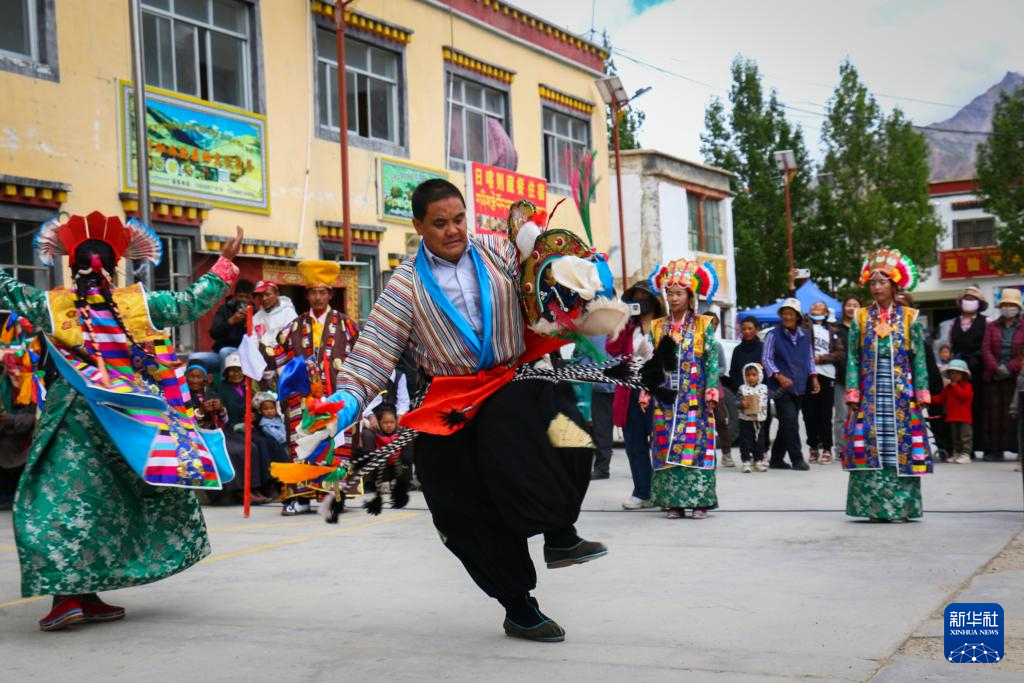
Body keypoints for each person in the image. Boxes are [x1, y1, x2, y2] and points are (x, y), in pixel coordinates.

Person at [325, 180, 608, 643]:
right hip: (450, 398)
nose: (453, 230)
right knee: (459, 504)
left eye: (459, 219)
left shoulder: (498, 251)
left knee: (568, 436)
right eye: (440, 223)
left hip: (515, 380)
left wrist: (573, 269)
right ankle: (518, 606)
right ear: (418, 226)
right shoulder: (405, 284)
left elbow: (546, 273)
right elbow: (374, 350)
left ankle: (560, 533)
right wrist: (345, 403)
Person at [1, 211, 242, 631]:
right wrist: (224, 262)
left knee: (60, 502)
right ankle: (80, 594)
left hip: (71, 418)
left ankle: (72, 595)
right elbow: (192, 302)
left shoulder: (52, 306)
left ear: (71, 266)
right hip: (130, 421)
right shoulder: (139, 304)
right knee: (117, 503)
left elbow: (7, 288)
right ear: (115, 267)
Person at [843, 248, 932, 523]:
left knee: (899, 446)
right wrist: (853, 390)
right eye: (873, 282)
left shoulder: (910, 317)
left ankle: (900, 509)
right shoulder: (860, 317)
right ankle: (873, 508)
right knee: (870, 443)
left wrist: (922, 391)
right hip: (870, 391)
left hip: (901, 393)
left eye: (882, 282)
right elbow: (853, 357)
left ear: (894, 286)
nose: (877, 287)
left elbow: (918, 358)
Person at [275, 260, 359, 515]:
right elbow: (279, 357)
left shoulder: (347, 326)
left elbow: (360, 359)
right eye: (313, 292)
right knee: (302, 443)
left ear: (330, 294)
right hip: (303, 400)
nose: (318, 297)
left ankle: (334, 495)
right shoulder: (293, 327)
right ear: (307, 295)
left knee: (336, 444)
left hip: (336, 396)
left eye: (323, 292)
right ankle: (301, 498)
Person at [646, 259, 720, 519]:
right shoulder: (657, 326)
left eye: (679, 293)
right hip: (665, 398)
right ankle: (673, 502)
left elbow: (711, 360)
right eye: (670, 293)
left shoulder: (703, 324)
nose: (674, 298)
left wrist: (712, 389)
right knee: (665, 444)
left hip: (694, 398)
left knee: (696, 445)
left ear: (690, 297)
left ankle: (700, 502)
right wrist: (645, 390)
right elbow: (651, 361)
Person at [608, 277, 662, 508]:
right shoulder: (629, 328)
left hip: (657, 392)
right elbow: (612, 349)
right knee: (634, 444)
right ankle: (642, 492)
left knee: (660, 443)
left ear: (654, 300)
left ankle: (662, 491)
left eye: (643, 296)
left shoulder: (665, 326)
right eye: (635, 297)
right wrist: (616, 325)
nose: (638, 301)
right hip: (630, 392)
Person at [762, 298, 820, 470]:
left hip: (800, 384)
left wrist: (814, 377)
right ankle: (797, 458)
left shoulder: (805, 335)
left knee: (788, 422)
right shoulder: (773, 335)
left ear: (797, 316)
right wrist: (779, 376)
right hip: (780, 387)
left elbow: (810, 358)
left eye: (791, 314)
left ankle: (776, 459)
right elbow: (766, 359)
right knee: (790, 420)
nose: (787, 317)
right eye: (785, 313)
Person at [980, 288, 1024, 461]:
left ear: (1018, 308)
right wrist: (996, 368)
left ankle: (1018, 449)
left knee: (1015, 414)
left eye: (1011, 305)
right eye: (1005, 304)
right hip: (994, 376)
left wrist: (1009, 368)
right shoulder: (992, 326)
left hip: (1016, 376)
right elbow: (985, 349)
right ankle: (994, 450)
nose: (1008, 308)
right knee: (993, 415)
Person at [948, 285, 988, 456]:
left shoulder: (987, 321)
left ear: (979, 302)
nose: (969, 301)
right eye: (966, 298)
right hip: (958, 369)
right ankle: (961, 448)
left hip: (978, 368)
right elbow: (950, 345)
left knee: (978, 406)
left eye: (973, 299)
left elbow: (988, 344)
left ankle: (977, 445)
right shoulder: (953, 323)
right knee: (958, 408)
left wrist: (978, 357)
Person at [803, 301, 841, 464]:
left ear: (826, 312)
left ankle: (826, 448)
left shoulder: (832, 331)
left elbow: (840, 353)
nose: (815, 307)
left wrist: (822, 358)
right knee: (809, 414)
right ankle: (813, 446)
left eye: (819, 306)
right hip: (808, 374)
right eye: (813, 306)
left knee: (825, 414)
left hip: (827, 374)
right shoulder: (805, 326)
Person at [832, 296, 859, 457]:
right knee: (841, 416)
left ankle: (857, 447)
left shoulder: (864, 327)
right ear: (843, 308)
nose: (851, 308)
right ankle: (841, 449)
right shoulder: (835, 328)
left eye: (855, 305)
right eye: (848, 305)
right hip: (841, 378)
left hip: (861, 379)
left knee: (859, 415)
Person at [933, 359, 974, 465]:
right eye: (952, 373)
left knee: (965, 437)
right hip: (952, 417)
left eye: (957, 373)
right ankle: (957, 452)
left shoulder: (967, 386)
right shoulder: (949, 388)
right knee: (955, 437)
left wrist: (955, 386)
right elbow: (941, 398)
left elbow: (964, 397)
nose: (954, 376)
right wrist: (929, 399)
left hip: (964, 418)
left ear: (963, 375)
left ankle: (965, 454)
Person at [209, 278, 254, 366]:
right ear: (235, 296)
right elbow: (213, 333)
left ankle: (225, 376)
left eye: (247, 297)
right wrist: (231, 321)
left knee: (225, 352)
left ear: (251, 298)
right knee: (195, 358)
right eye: (241, 296)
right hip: (219, 352)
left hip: (243, 354)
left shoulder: (255, 313)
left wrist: (248, 321)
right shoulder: (224, 309)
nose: (244, 300)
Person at [252, 280, 297, 362]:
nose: (264, 298)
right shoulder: (256, 317)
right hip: (261, 358)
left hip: (284, 356)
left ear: (277, 294)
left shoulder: (288, 312)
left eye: (267, 294)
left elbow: (291, 339)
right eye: (260, 296)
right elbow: (253, 340)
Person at [736, 363, 769, 473]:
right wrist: (741, 403)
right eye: (748, 375)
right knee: (745, 442)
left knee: (759, 442)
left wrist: (783, 388)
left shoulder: (764, 389)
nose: (751, 378)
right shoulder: (742, 389)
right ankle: (746, 462)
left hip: (759, 421)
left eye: (754, 375)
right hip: (745, 421)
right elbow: (736, 402)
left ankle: (758, 461)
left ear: (759, 376)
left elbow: (773, 395)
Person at [1007, 346, 1024, 473]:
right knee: (1021, 436)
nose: (1022, 363)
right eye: (1020, 360)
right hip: (1022, 411)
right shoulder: (1020, 376)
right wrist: (1014, 408)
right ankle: (1021, 461)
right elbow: (1017, 394)